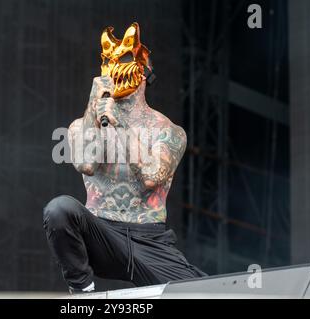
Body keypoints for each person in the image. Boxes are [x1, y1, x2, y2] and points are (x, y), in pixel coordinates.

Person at [43, 22, 206, 294]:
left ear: (145, 73)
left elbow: (153, 177)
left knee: (200, 292)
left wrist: (120, 127)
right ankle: (83, 290)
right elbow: (85, 163)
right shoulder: (82, 125)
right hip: (100, 232)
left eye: (125, 62)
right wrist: (93, 106)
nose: (116, 70)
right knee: (59, 210)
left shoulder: (167, 130)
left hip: (149, 238)